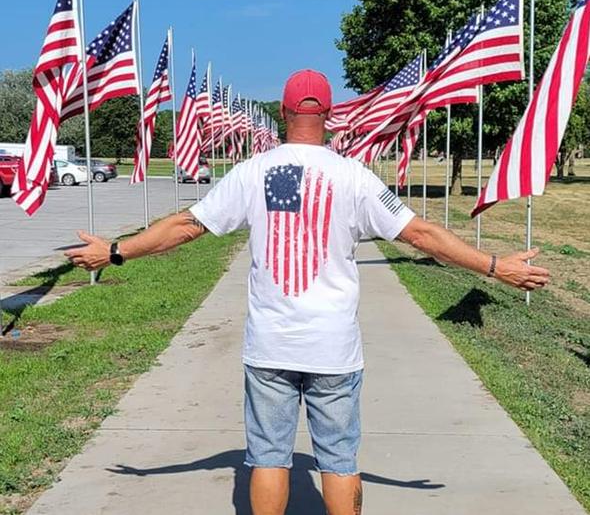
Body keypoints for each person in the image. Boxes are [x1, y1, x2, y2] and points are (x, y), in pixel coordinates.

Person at [66, 70, 550, 515]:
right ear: (330, 115)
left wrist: (115, 251)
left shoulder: (253, 172)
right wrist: (494, 266)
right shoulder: (355, 177)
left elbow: (187, 226)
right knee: (339, 460)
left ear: (283, 112)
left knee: (268, 458)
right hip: (333, 349)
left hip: (271, 346)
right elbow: (420, 234)